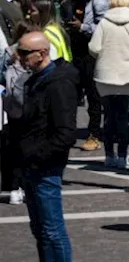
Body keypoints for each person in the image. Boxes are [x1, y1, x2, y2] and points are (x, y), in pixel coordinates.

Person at [11, 30, 78, 261]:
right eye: (18, 51)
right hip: (32, 163)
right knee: (40, 229)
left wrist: (37, 155)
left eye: (24, 53)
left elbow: (66, 132)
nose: (20, 57)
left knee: (52, 229)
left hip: (45, 165)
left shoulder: (58, 83)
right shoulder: (34, 79)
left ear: (42, 53)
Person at [87, 0, 129, 169]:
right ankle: (122, 155)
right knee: (123, 117)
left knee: (109, 117)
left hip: (104, 75)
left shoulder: (104, 23)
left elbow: (94, 48)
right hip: (127, 75)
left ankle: (109, 155)